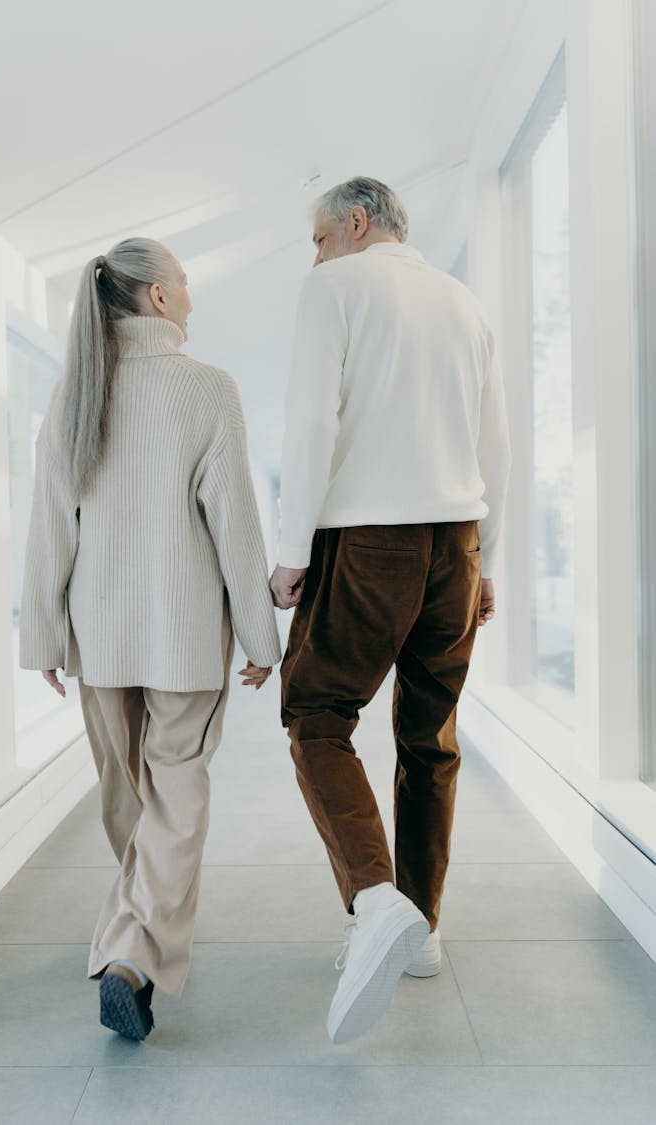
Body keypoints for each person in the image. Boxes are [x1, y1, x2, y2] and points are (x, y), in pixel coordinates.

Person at [20, 237, 281, 1041]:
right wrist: (261, 638)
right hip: (184, 640)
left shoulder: (73, 394)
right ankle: (133, 956)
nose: (195, 300)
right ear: (158, 299)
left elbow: (47, 533)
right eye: (187, 285)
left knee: (130, 801)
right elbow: (235, 525)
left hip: (98, 641)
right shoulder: (208, 391)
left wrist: (43, 638)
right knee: (175, 797)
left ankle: (130, 936)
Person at [270, 177, 511, 1044]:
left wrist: (293, 550)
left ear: (356, 222)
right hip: (459, 540)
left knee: (317, 714)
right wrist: (488, 562)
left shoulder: (333, 288)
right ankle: (423, 931)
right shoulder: (465, 302)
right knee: (429, 733)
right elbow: (496, 447)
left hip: (366, 542)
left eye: (319, 235)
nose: (315, 252)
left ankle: (376, 901)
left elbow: (309, 425)